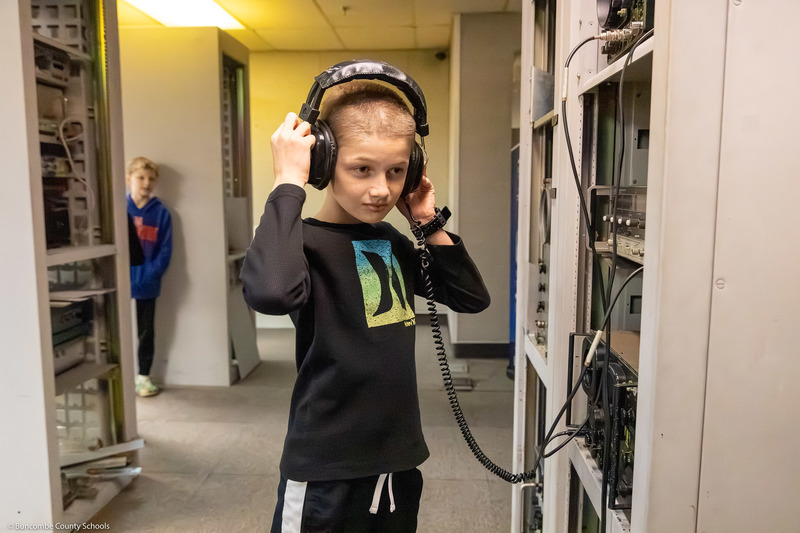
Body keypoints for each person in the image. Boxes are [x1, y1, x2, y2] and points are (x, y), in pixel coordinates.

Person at [241, 70, 491, 532]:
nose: (381, 189)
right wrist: (286, 184)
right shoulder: (304, 244)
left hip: (396, 461)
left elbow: (470, 297)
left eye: (397, 171)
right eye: (362, 169)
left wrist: (426, 222)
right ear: (324, 164)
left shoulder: (390, 240)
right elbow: (271, 293)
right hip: (325, 469)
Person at [126, 156, 172, 398]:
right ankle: (122, 378)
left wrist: (151, 274)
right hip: (120, 284)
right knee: (116, 331)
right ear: (128, 179)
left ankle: (143, 377)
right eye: (140, 177)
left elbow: (165, 250)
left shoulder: (161, 212)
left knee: (146, 332)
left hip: (147, 283)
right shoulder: (118, 209)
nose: (145, 183)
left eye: (150, 179)